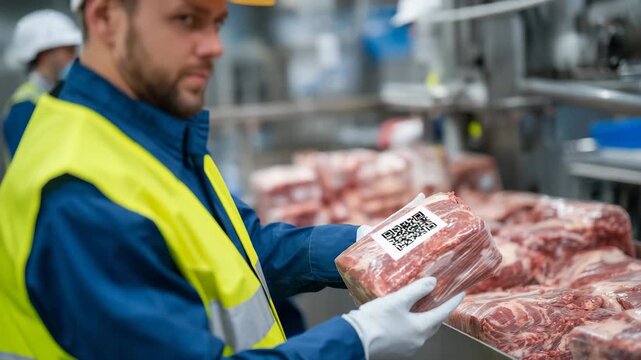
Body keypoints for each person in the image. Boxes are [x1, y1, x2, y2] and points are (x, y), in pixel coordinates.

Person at [0, 0, 464, 359]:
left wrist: (371, 243)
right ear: (105, 19)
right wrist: (357, 338)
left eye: (217, 22)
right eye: (186, 19)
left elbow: (243, 247)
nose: (214, 46)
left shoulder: (144, 132)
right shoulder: (79, 197)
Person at [2, 9, 81, 157]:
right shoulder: (24, 106)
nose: (75, 56)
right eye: (69, 50)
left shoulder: (58, 94)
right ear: (45, 53)